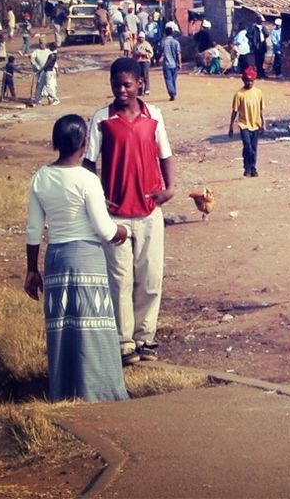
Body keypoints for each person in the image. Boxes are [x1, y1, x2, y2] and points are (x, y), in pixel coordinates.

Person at [24, 114, 130, 402]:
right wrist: (123, 230)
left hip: (56, 257)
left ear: (56, 143)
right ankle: (100, 391)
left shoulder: (41, 177)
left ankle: (65, 391)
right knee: (93, 326)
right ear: (84, 143)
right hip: (87, 257)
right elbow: (104, 228)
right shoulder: (87, 179)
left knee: (64, 327)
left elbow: (34, 229)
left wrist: (31, 269)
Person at [84, 56, 176, 365]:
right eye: (116, 84)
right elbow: (88, 163)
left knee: (150, 279)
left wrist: (169, 188)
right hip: (116, 217)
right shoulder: (101, 119)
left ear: (140, 84)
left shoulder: (154, 116)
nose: (121, 90)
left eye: (127, 84)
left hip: (149, 211)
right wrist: (97, 198)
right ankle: (124, 344)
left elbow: (166, 154)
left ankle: (145, 339)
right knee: (119, 281)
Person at [229, 67, 266, 177]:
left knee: (254, 148)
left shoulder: (258, 93)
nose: (249, 83)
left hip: (255, 124)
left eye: (251, 81)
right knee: (247, 146)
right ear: (243, 80)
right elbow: (234, 111)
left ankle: (253, 168)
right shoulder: (239, 94)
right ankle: (247, 166)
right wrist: (231, 126)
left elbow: (261, 110)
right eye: (247, 80)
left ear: (254, 81)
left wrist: (263, 124)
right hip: (243, 124)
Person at [161, 25, 181, 101]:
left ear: (165, 33)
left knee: (168, 80)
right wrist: (180, 63)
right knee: (173, 80)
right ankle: (173, 92)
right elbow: (178, 53)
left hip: (166, 64)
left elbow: (161, 52)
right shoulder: (176, 42)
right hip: (174, 64)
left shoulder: (163, 42)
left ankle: (172, 93)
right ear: (172, 33)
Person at [29, 39, 51, 104]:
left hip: (47, 71)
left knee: (48, 85)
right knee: (39, 85)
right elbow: (32, 59)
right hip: (40, 71)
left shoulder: (48, 51)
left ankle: (50, 98)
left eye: (43, 43)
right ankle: (38, 99)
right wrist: (37, 67)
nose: (42, 45)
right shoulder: (36, 52)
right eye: (41, 43)